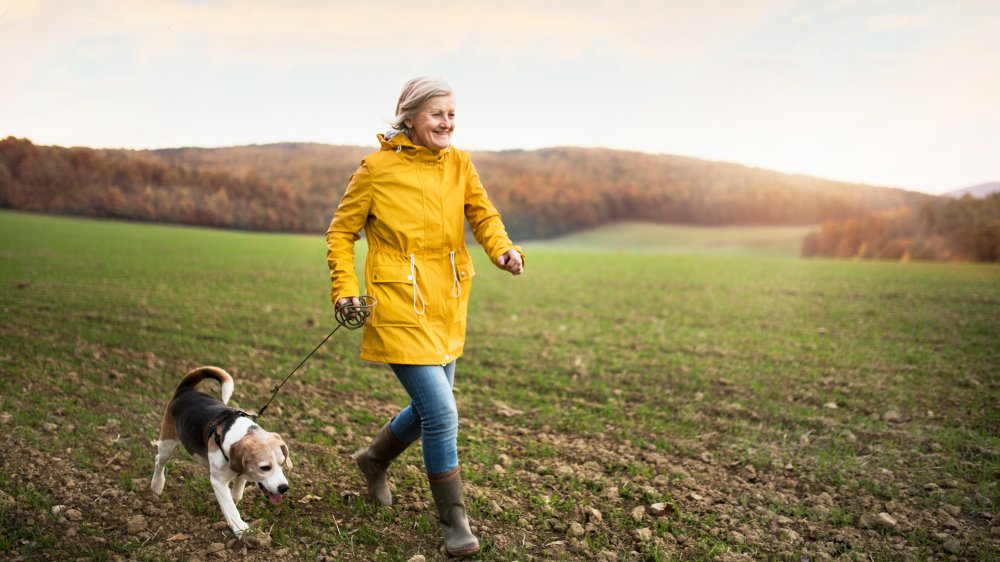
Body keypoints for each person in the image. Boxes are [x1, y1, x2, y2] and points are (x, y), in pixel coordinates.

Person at [325, 76, 524, 557]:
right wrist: (345, 289)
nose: (447, 123)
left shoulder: (460, 163)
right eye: (438, 114)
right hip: (395, 304)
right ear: (410, 117)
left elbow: (483, 215)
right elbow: (340, 233)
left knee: (430, 408)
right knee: (441, 412)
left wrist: (502, 250)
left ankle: (373, 460)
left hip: (447, 301)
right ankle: (454, 520)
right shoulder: (375, 170)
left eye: (452, 114)